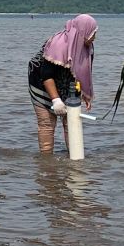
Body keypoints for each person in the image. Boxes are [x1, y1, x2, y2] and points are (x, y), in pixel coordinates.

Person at [27, 14, 97, 153]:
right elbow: (46, 75)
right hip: (41, 83)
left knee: (72, 122)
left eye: (94, 33)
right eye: (92, 33)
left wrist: (84, 94)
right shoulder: (57, 44)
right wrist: (56, 100)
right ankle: (47, 163)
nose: (94, 37)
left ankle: (74, 159)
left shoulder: (87, 47)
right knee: (47, 123)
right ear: (83, 31)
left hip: (68, 84)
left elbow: (83, 72)